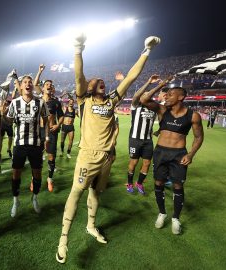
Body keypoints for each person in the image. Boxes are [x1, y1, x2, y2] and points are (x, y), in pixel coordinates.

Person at [56, 34, 161, 264]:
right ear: (90, 87)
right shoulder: (84, 101)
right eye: (96, 81)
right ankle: (63, 240)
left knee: (96, 193)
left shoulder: (111, 101)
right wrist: (78, 49)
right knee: (76, 192)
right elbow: (78, 75)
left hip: (106, 158)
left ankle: (91, 226)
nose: (100, 81)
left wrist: (146, 51)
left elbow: (132, 77)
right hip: (87, 156)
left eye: (102, 81)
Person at [140, 84, 204, 235]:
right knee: (158, 182)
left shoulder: (193, 116)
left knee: (177, 186)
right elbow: (143, 99)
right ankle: (162, 213)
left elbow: (199, 137)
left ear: (181, 97)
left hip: (179, 154)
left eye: (170, 94)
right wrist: (161, 84)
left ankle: (176, 218)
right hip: (160, 152)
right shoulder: (162, 110)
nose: (165, 96)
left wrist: (190, 155)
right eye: (165, 94)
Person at [6, 75, 50, 217]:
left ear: (32, 86)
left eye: (30, 82)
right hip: (19, 144)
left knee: (37, 174)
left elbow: (46, 119)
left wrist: (47, 136)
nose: (28, 84)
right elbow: (9, 120)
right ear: (21, 86)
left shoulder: (40, 102)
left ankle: (35, 198)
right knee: (16, 174)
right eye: (25, 82)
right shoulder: (15, 103)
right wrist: (2, 114)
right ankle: (15, 200)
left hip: (35, 144)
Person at [126, 75, 163, 194]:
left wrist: (159, 130)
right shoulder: (136, 105)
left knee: (146, 163)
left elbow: (163, 117)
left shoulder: (154, 108)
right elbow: (137, 95)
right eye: (145, 94)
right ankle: (130, 183)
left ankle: (139, 183)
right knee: (134, 162)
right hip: (135, 139)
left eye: (148, 94)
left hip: (148, 140)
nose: (147, 95)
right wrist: (149, 82)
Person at [34, 64, 64, 192]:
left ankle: (50, 179)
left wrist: (58, 124)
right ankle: (34, 179)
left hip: (51, 131)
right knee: (36, 156)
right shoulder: (39, 99)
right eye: (47, 84)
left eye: (51, 85)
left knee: (51, 157)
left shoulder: (56, 102)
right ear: (43, 87)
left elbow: (61, 116)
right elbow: (35, 84)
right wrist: (40, 71)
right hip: (38, 130)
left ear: (52, 89)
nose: (49, 85)